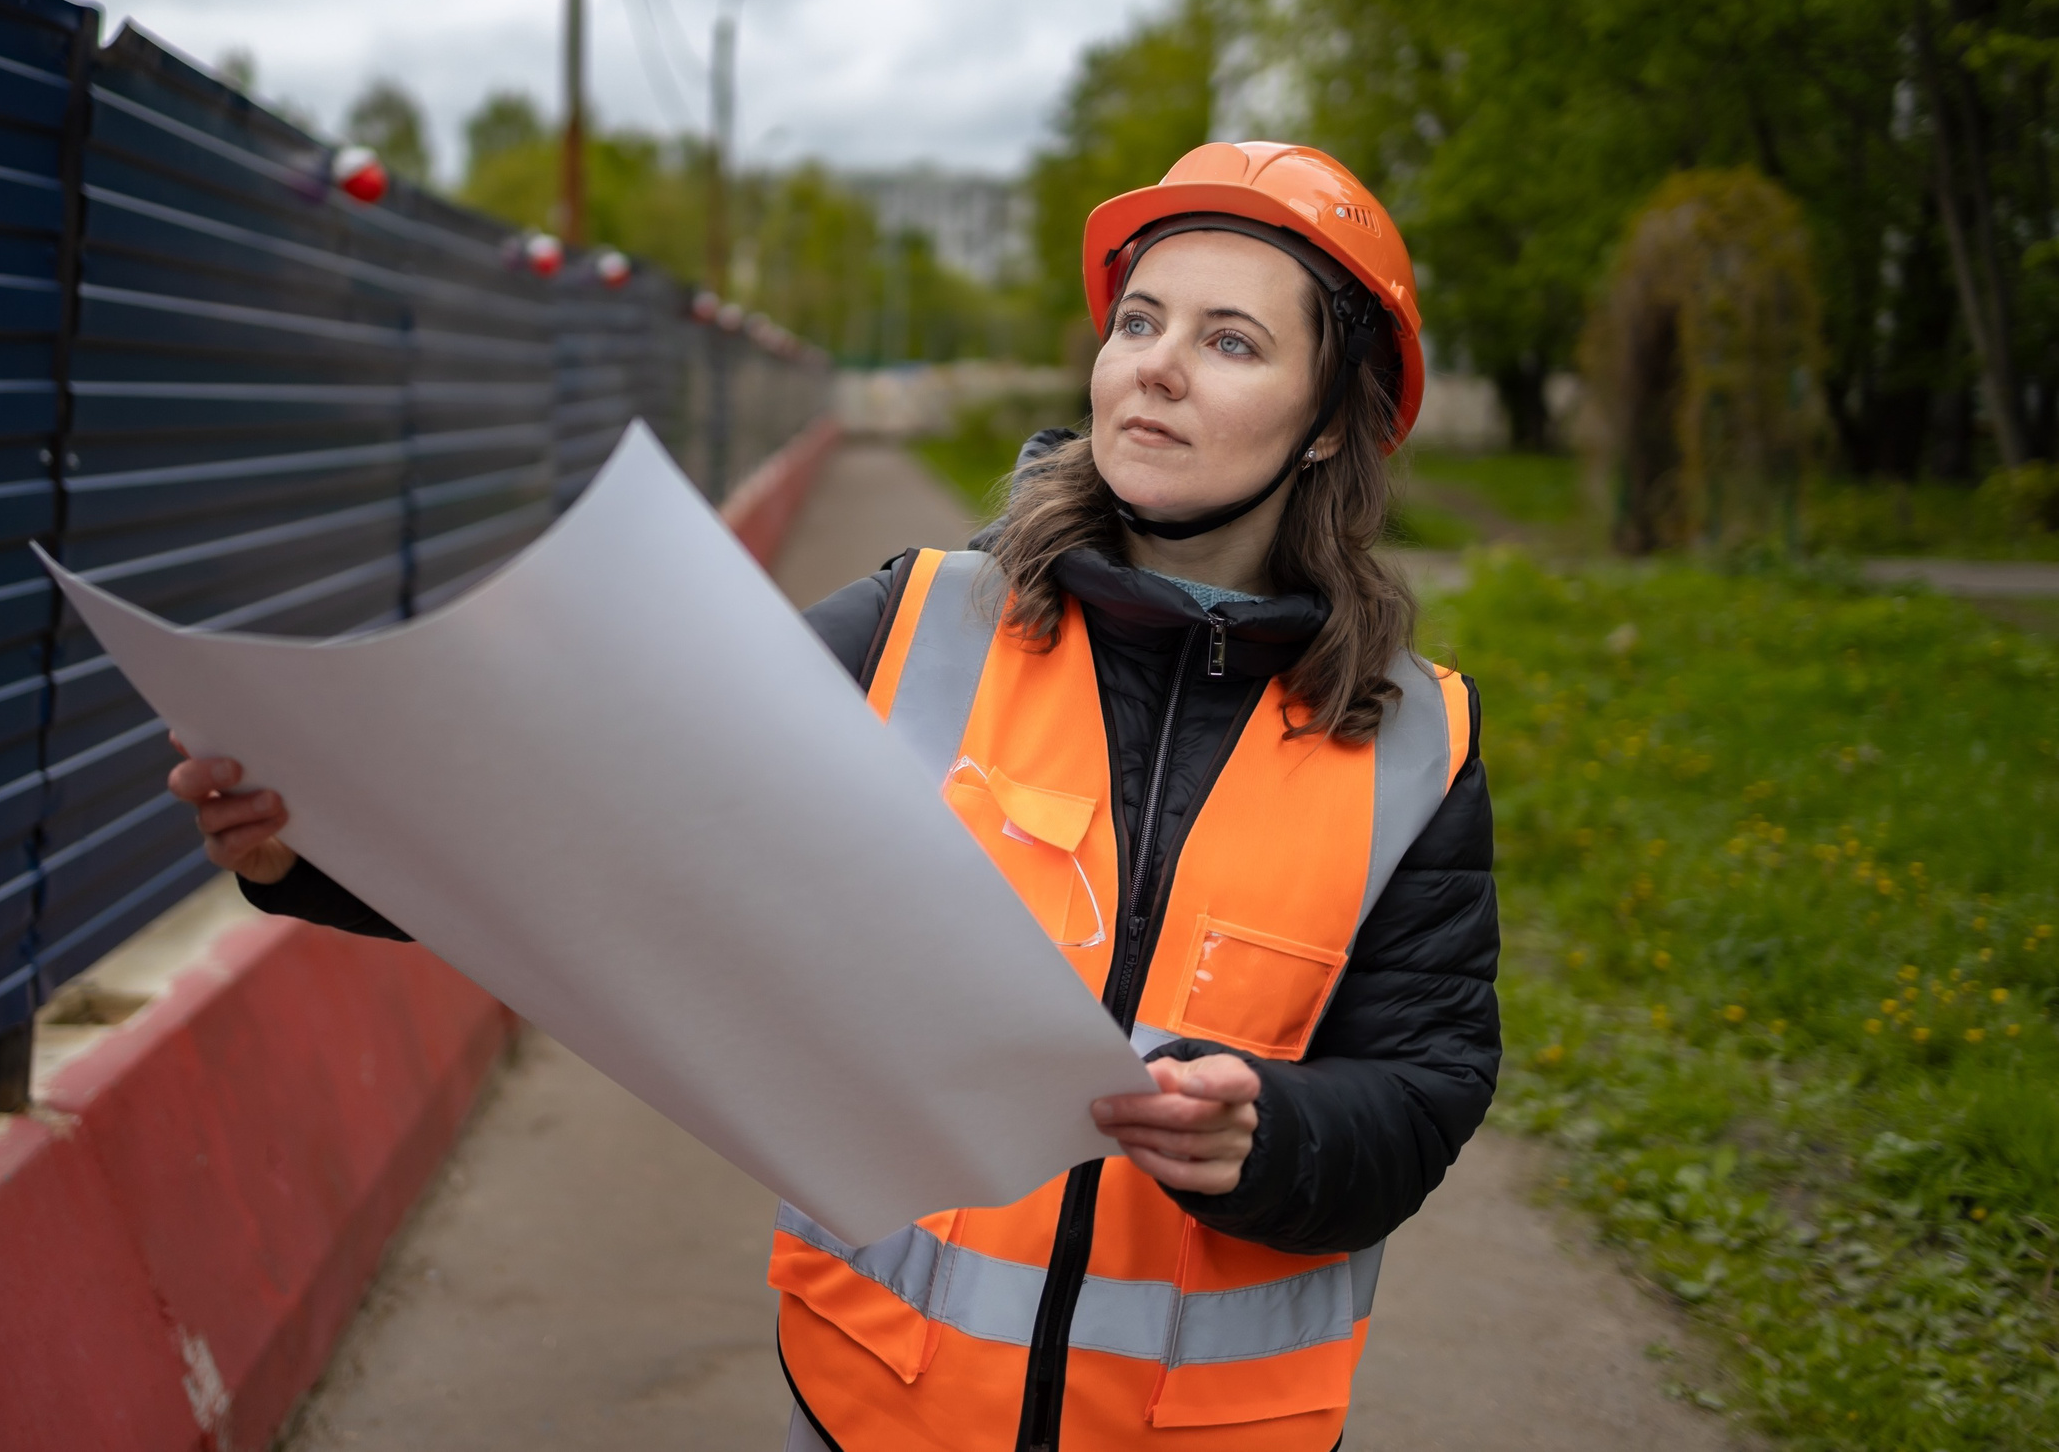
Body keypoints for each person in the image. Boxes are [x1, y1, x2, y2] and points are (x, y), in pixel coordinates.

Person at [169, 142, 1498, 1452]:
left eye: (1229, 342)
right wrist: (317, 844)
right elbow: (598, 821)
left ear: (1329, 421)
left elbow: (1429, 1084)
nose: (1152, 362)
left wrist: (1277, 1135)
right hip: (881, 1405)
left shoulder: (1413, 743)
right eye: (1139, 319)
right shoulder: (916, 628)